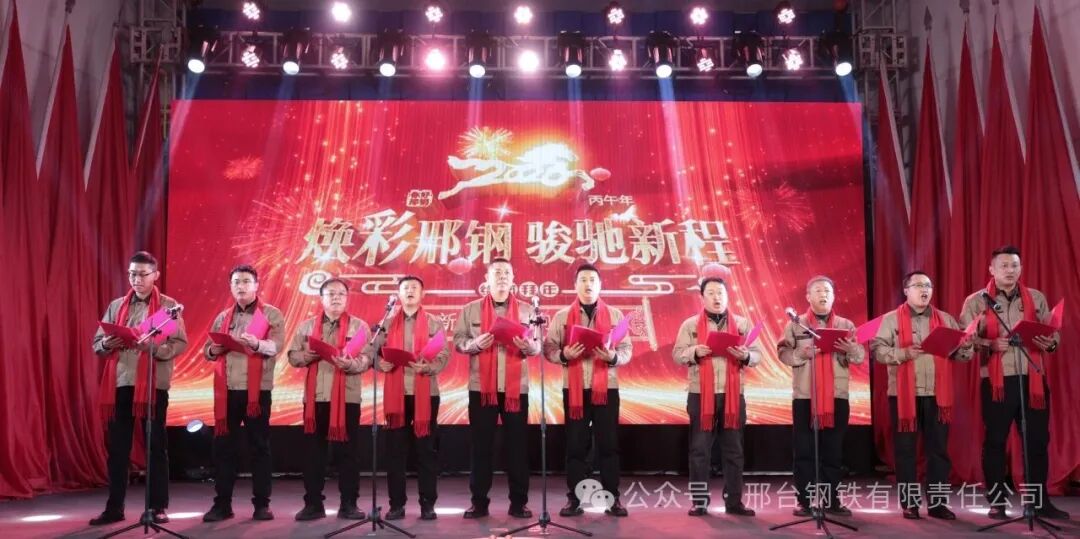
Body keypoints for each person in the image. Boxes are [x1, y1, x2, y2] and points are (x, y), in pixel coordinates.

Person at [959, 245, 1069, 520]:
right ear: (992, 269)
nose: (1010, 270)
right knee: (995, 442)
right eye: (1004, 266)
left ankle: (1038, 502)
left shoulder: (1035, 297)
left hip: (1033, 379)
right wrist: (989, 344)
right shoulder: (976, 301)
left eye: (1015, 265)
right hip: (997, 382)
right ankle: (997, 503)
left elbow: (1052, 332)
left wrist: (1049, 342)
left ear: (1021, 268)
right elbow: (964, 339)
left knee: (1037, 442)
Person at [89, 251, 189, 526]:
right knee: (118, 448)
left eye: (143, 274)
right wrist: (107, 343)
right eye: (132, 274)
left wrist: (153, 347)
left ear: (155, 275)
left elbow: (180, 343)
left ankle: (157, 507)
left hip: (153, 383)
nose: (136, 279)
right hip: (121, 382)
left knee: (156, 446)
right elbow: (98, 343)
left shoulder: (168, 307)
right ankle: (114, 507)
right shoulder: (117, 305)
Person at [871, 271, 973, 520]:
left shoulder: (945, 319)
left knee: (938, 451)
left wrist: (965, 346)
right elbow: (877, 350)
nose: (924, 290)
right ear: (906, 290)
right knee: (905, 451)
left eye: (928, 285)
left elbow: (962, 354)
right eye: (918, 285)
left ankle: (937, 504)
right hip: (903, 395)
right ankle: (910, 503)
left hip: (938, 394)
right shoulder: (890, 319)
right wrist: (903, 353)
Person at [452, 258, 542, 519]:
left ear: (513, 279)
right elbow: (458, 341)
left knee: (517, 447)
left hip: (516, 389)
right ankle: (479, 502)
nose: (502, 276)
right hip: (482, 387)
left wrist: (529, 347)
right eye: (497, 272)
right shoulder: (470, 310)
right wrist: (475, 344)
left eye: (507, 273)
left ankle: (519, 503)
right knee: (481, 446)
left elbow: (537, 346)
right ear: (487, 279)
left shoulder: (528, 310)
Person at [544, 263, 633, 518]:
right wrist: (564, 354)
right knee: (575, 446)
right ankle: (575, 499)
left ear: (600, 285)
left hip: (606, 389)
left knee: (608, 445)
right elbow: (549, 348)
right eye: (583, 280)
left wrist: (612, 357)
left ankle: (613, 499)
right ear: (575, 285)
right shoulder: (562, 317)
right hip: (575, 390)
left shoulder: (615, 315)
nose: (588, 284)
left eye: (592, 279)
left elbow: (626, 349)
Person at [201, 264, 286, 522]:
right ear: (231, 286)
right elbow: (208, 348)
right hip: (226, 390)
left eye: (246, 281)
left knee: (259, 447)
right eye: (236, 282)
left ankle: (262, 504)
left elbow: (277, 346)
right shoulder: (223, 316)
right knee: (223, 448)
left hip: (256, 392)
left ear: (256, 285)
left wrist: (257, 343)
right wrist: (213, 350)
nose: (241, 286)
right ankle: (222, 504)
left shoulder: (271, 314)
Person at [672, 277, 762, 517]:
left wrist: (745, 355)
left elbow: (757, 355)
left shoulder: (742, 324)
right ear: (702, 297)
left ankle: (734, 501)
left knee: (734, 451)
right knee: (699, 450)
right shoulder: (690, 324)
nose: (717, 297)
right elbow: (677, 354)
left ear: (727, 296)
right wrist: (695, 351)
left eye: (720, 292)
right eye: (711, 293)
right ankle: (699, 501)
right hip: (701, 395)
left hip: (733, 396)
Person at [777, 276, 864, 517]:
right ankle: (804, 501)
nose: (823, 294)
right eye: (817, 290)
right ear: (808, 296)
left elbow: (859, 357)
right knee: (804, 451)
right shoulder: (796, 324)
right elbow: (782, 352)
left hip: (837, 396)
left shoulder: (846, 325)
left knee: (833, 451)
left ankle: (831, 500)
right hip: (805, 395)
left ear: (834, 296)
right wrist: (801, 354)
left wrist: (851, 349)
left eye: (827, 290)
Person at [367, 276, 451, 521]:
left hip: (426, 393)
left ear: (422, 294)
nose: (410, 291)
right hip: (397, 394)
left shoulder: (434, 322)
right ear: (398, 294)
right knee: (395, 453)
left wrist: (430, 367)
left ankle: (428, 504)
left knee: (426, 451)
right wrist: (378, 363)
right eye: (405, 288)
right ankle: (396, 505)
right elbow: (371, 351)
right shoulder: (386, 323)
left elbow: (443, 353)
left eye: (415, 288)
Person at [287, 277, 370, 521]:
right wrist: (308, 355)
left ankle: (349, 504)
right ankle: (313, 504)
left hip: (347, 398)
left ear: (347, 298)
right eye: (331, 294)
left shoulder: (360, 326)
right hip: (315, 398)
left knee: (348, 454)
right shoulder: (306, 326)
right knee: (313, 454)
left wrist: (351, 364)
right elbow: (292, 357)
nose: (336, 298)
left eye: (341, 294)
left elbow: (368, 359)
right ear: (321, 298)